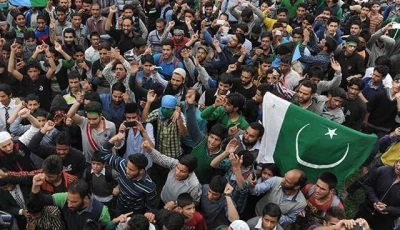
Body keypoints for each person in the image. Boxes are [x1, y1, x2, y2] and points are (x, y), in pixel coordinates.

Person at [100, 133, 157, 216]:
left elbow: (151, 206)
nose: (127, 171)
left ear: (141, 171)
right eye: (127, 167)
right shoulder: (122, 164)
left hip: (135, 213)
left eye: (131, 170)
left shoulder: (149, 187)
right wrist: (112, 140)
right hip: (119, 205)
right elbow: (104, 154)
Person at [30, 176, 111, 229]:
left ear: (85, 198)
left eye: (74, 202)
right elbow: (39, 200)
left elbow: (107, 228)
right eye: (68, 200)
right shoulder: (64, 198)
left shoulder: (101, 212)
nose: (69, 204)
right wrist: (35, 186)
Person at [142, 139, 202, 205]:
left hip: (177, 209)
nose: (177, 172)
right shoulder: (175, 164)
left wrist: (176, 203)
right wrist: (150, 150)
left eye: (182, 171)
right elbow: (161, 159)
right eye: (177, 168)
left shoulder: (194, 185)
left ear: (190, 173)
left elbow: (194, 203)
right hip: (163, 200)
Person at [354, 160, 400, 230]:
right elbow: (369, 185)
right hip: (365, 211)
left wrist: (387, 209)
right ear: (396, 162)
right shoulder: (383, 170)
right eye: (399, 163)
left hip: (384, 222)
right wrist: (375, 200)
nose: (399, 167)